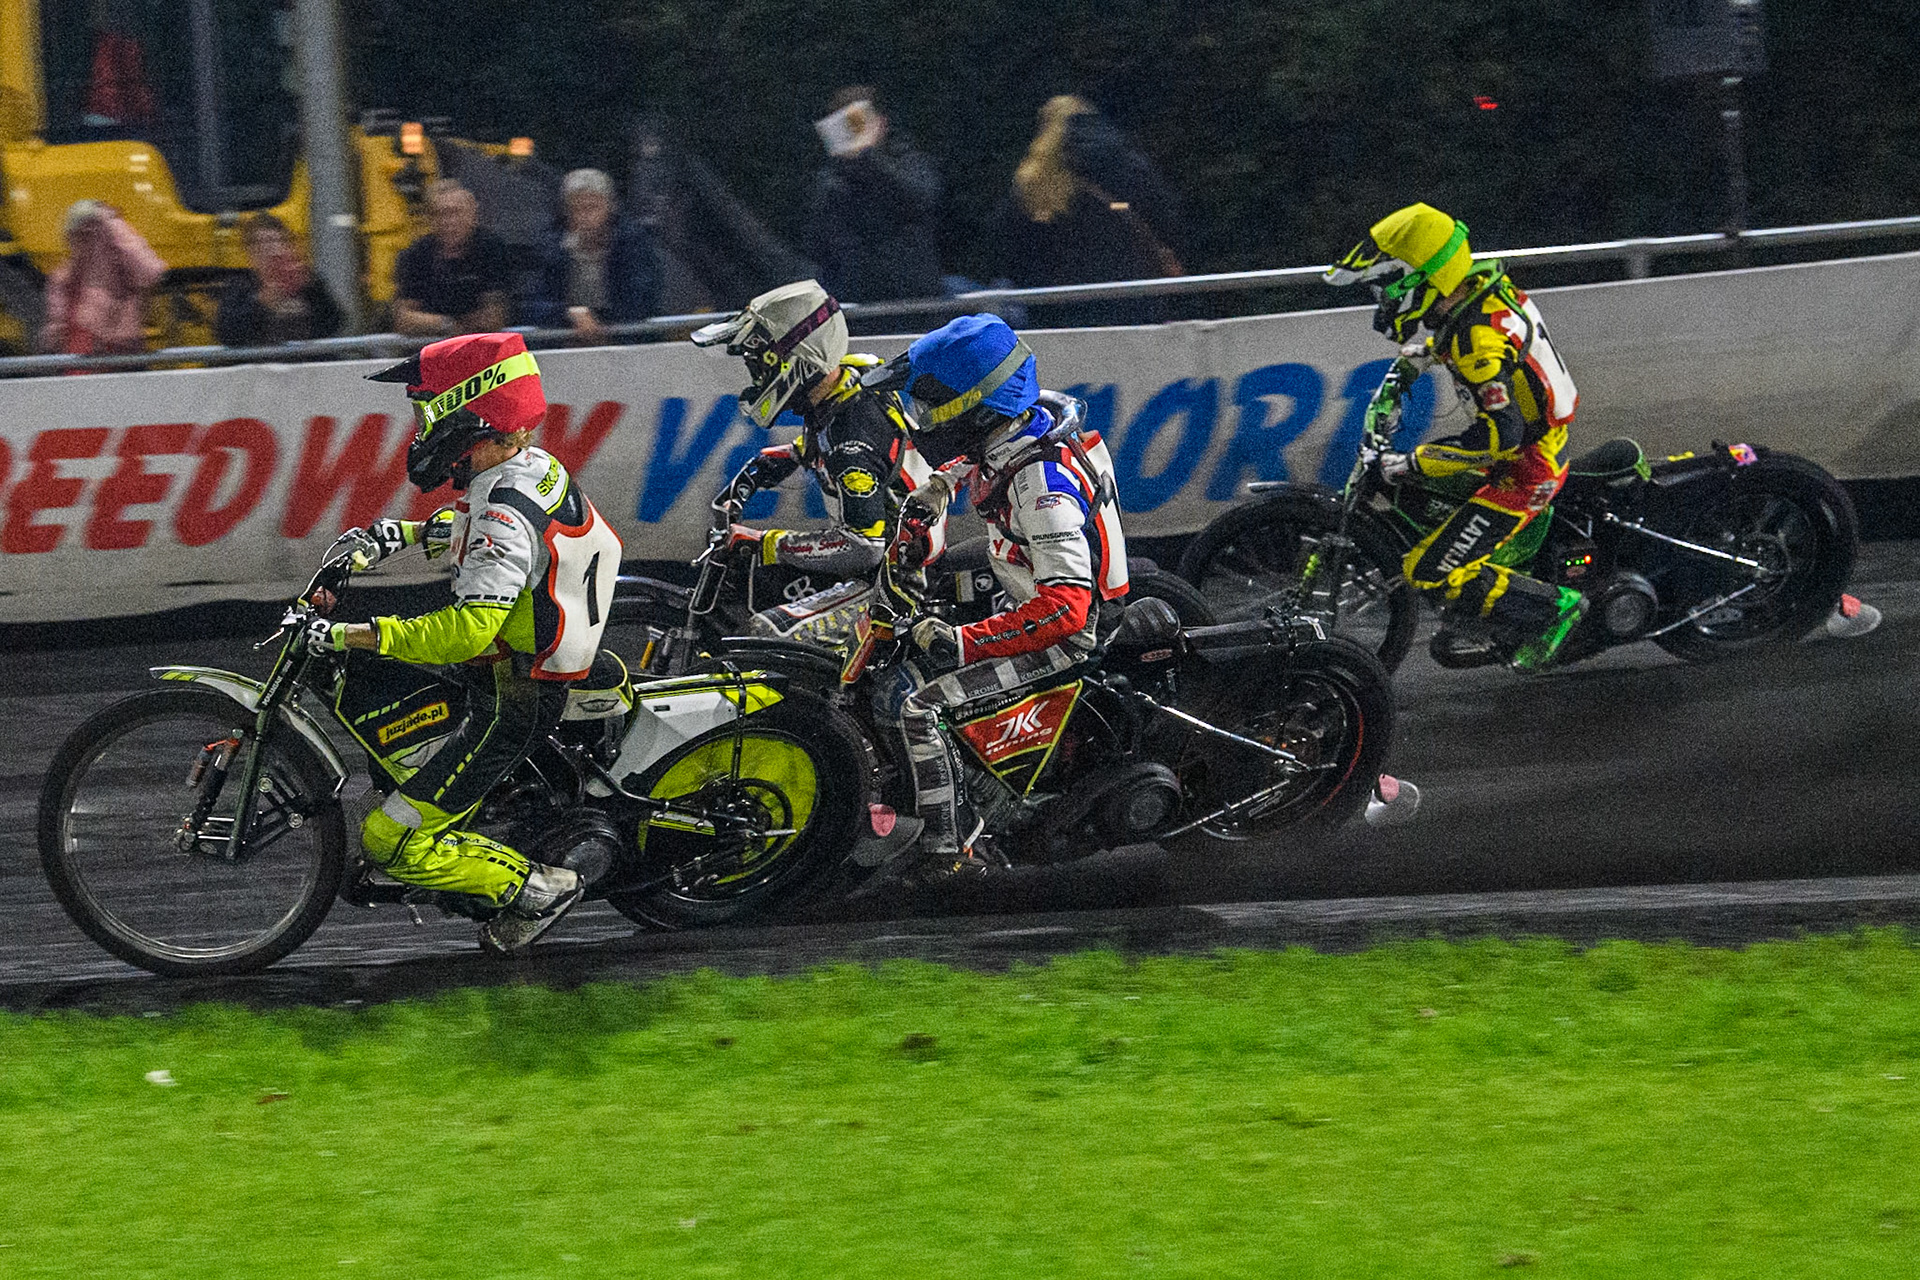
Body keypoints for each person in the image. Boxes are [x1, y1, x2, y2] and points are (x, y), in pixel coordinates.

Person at [305, 331, 623, 953]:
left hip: (514, 699)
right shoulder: (523, 467)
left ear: (469, 413)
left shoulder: (503, 508)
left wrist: (352, 634)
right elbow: (471, 528)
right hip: (523, 664)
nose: (422, 429)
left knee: (387, 840)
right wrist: (391, 536)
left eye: (428, 413)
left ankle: (539, 889)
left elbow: (465, 630)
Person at [862, 314, 1130, 877]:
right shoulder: (1023, 429)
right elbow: (977, 455)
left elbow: (1064, 610)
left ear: (974, 408)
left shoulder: (1042, 491)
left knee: (921, 708)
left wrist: (962, 644)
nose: (919, 423)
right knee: (941, 598)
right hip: (1029, 590)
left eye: (929, 409)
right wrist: (938, 486)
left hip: (1069, 638)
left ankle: (949, 855)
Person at [1326, 202, 1585, 670]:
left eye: (1385, 289)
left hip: (1526, 469)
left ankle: (1556, 610)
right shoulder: (1480, 296)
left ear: (1423, 280)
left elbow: (1500, 435)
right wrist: (1414, 362)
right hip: (1526, 446)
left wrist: (1414, 461)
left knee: (1430, 571)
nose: (1382, 302)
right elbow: (1477, 344)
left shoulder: (1474, 339)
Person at [690, 278, 923, 648]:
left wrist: (767, 543)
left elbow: (863, 545)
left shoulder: (852, 441)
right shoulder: (847, 381)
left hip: (895, 583)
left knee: (767, 634)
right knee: (771, 590)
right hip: (880, 565)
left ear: (797, 357)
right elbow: (814, 446)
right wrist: (755, 473)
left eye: (760, 364)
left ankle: (831, 707)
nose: (756, 377)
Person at [984, 95, 1184, 326]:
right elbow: (1164, 211)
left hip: (1056, 309)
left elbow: (1004, 241)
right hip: (1132, 299)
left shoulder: (1032, 181)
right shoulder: (1123, 163)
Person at [803, 86, 944, 304]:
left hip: (916, 297)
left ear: (881, 122)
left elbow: (919, 202)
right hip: (857, 301)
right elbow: (819, 242)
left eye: (858, 123)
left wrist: (868, 159)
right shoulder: (830, 181)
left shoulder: (908, 161)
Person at [521, 168, 663, 338]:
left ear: (610, 208)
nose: (585, 217)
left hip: (627, 342)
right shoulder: (550, 248)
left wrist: (602, 327)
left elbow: (645, 299)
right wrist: (569, 313)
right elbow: (532, 305)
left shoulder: (634, 243)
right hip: (565, 343)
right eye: (577, 209)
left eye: (592, 208)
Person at [36, 200, 166, 356]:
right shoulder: (62, 279)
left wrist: (113, 225)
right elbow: (56, 332)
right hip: (79, 366)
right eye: (79, 235)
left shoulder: (122, 271)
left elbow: (152, 271)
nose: (84, 242)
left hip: (120, 357)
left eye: (91, 233)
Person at [392, 179, 512, 337]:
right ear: (430, 219)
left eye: (456, 212)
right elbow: (404, 320)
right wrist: (447, 324)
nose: (449, 222)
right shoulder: (416, 254)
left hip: (483, 344)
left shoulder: (491, 248)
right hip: (430, 344)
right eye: (440, 214)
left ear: (473, 215)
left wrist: (429, 321)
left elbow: (493, 318)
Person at [214, 213, 345, 346]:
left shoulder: (308, 281)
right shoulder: (240, 287)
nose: (273, 249)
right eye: (264, 243)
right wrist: (261, 303)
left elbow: (334, 324)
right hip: (260, 363)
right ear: (250, 252)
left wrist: (312, 290)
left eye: (279, 241)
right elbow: (227, 335)